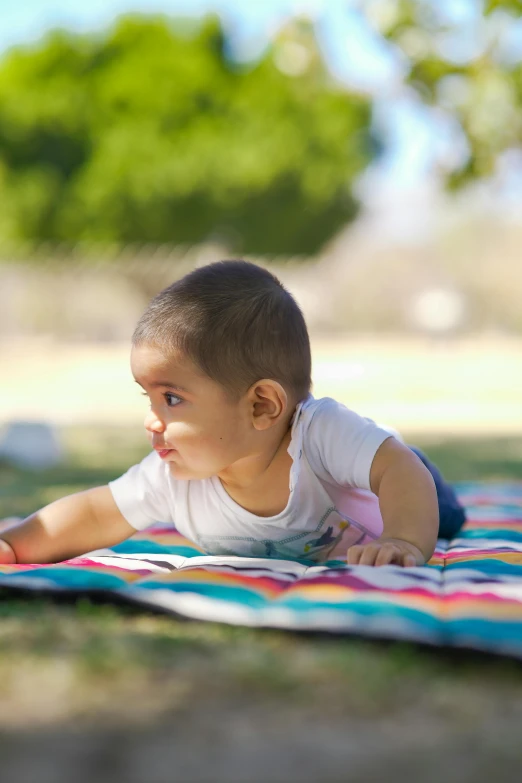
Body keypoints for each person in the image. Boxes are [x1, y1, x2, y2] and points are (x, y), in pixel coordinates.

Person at [0, 260, 465, 568]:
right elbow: (96, 513)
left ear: (261, 406)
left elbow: (397, 470)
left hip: (396, 485)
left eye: (173, 399)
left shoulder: (318, 434)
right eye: (149, 398)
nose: (152, 420)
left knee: (436, 506)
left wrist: (404, 540)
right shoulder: (174, 474)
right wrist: (16, 543)